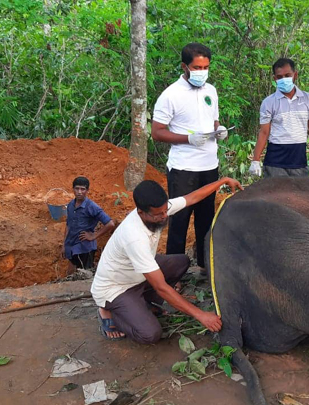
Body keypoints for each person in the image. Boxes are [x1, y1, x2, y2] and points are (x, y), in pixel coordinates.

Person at [90, 177, 243, 343]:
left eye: (165, 211)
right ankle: (109, 313)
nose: (164, 217)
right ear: (141, 212)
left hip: (136, 275)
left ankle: (142, 302)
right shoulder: (134, 237)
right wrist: (201, 315)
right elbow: (161, 287)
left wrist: (222, 181)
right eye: (158, 215)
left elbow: (192, 197)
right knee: (150, 334)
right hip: (115, 289)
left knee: (181, 262)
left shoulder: (158, 209)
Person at [151, 42, 229, 272]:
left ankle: (207, 267)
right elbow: (157, 132)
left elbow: (212, 120)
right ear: (184, 66)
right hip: (183, 168)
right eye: (196, 68)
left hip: (209, 165)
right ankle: (174, 271)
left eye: (205, 67)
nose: (201, 72)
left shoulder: (210, 91)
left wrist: (219, 128)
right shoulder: (170, 95)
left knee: (207, 218)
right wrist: (188, 139)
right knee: (179, 219)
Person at [249, 58, 309, 178]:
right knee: (274, 196)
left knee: (298, 196)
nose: (284, 79)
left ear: (295, 75)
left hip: (299, 160)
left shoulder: (308, 99)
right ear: (275, 79)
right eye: (280, 77)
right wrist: (256, 160)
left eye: (287, 75)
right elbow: (264, 132)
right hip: (275, 162)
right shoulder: (269, 102)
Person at [62, 177, 116, 273]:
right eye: (77, 188)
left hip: (85, 248)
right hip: (72, 246)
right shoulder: (70, 205)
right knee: (70, 273)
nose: (79, 192)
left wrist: (93, 235)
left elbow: (110, 224)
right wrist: (64, 245)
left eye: (82, 189)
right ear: (73, 189)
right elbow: (68, 225)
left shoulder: (92, 206)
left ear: (87, 190)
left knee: (84, 276)